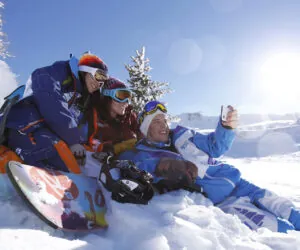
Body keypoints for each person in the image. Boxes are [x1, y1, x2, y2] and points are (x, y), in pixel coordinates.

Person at [119, 100, 300, 233]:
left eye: (164, 120)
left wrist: (226, 128)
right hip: (223, 199)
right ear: (145, 128)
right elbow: (146, 167)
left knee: (290, 211)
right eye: (156, 121)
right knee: (279, 230)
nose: (164, 125)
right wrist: (167, 165)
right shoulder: (144, 153)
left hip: (238, 182)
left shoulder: (183, 135)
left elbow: (215, 146)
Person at [3, 52, 109, 173]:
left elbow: (74, 125)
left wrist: (87, 148)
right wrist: (73, 140)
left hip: (43, 131)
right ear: (85, 70)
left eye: (104, 81)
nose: (99, 84)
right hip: (24, 127)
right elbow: (51, 102)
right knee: (58, 151)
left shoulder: (77, 95)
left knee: (74, 161)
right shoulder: (55, 73)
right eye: (99, 76)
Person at [88, 77, 141, 157]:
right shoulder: (94, 116)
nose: (125, 102)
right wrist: (110, 148)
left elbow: (145, 135)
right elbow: (88, 141)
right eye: (121, 96)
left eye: (128, 97)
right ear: (107, 95)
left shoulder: (130, 117)